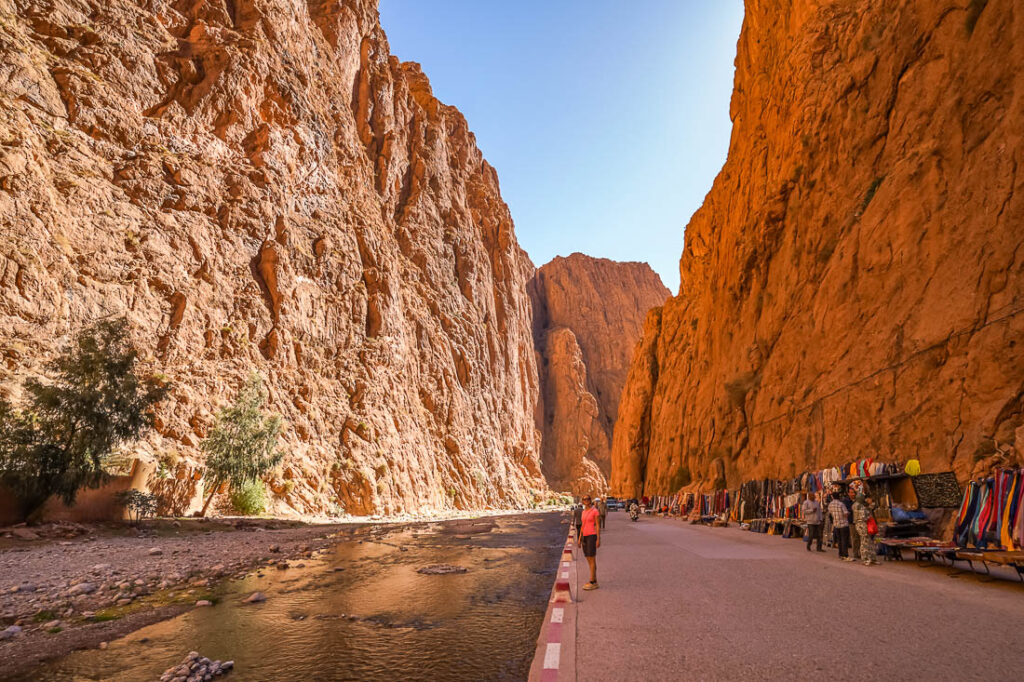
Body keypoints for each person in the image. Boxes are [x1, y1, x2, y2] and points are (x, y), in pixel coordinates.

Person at [578, 495, 601, 590]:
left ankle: (592, 581)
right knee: (588, 558)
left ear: (590, 500)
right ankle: (594, 580)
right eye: (584, 499)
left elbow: (598, 525)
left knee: (592, 558)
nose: (586, 500)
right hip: (584, 537)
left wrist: (598, 539)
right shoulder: (583, 512)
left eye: (587, 499)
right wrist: (579, 538)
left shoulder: (595, 511)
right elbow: (582, 526)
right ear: (582, 501)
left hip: (592, 536)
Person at [853, 493, 879, 565]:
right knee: (865, 542)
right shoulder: (860, 506)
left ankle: (871, 558)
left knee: (867, 541)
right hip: (862, 524)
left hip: (859, 524)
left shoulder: (855, 505)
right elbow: (864, 516)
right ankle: (866, 559)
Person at [827, 492, 853, 561]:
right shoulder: (841, 504)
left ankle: (840, 554)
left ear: (832, 497)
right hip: (843, 524)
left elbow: (830, 513)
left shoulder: (830, 504)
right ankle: (845, 555)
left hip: (836, 524)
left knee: (839, 540)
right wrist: (849, 512)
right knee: (844, 540)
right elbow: (845, 513)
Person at [845, 487, 860, 559]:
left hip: (858, 521)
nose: (853, 494)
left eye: (853, 492)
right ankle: (855, 553)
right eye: (851, 492)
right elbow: (846, 510)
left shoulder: (858, 500)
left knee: (859, 537)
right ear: (848, 493)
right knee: (854, 537)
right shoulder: (846, 501)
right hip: (851, 521)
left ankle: (860, 552)